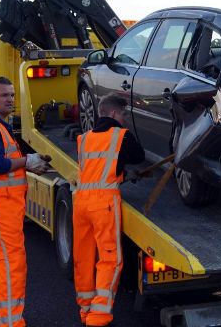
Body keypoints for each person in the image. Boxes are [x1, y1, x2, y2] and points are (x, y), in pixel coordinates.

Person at [0, 76, 49, 327]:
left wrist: (29, 166)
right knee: (11, 261)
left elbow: (5, 165)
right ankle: (12, 321)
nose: (10, 99)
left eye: (12, 95)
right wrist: (27, 161)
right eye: (5, 95)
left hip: (0, 205)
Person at [74, 93, 145, 327]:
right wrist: (127, 170)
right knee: (110, 259)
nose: (124, 118)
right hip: (103, 204)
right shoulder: (121, 136)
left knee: (84, 258)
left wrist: (122, 174)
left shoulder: (84, 138)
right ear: (114, 113)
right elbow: (139, 155)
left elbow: (98, 169)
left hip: (81, 202)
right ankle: (99, 316)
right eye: (123, 114)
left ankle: (85, 310)